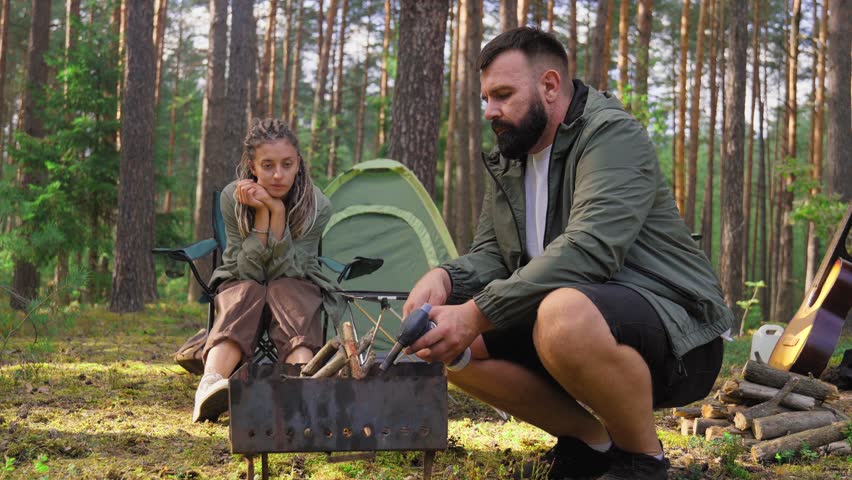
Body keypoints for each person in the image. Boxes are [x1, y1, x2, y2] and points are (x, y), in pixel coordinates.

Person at [403, 27, 733, 480]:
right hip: (568, 322)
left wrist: (476, 313)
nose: (490, 111)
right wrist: (445, 278)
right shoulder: (511, 157)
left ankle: (642, 460)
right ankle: (590, 442)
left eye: (502, 94)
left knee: (561, 314)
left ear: (550, 86)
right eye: (485, 98)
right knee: (447, 344)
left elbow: (589, 251)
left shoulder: (612, 135)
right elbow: (492, 255)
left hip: (678, 334)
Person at [193, 118, 341, 423]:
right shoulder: (231, 198)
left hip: (296, 282)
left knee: (286, 290)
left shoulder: (318, 207)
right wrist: (262, 213)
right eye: (268, 165)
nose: (278, 175)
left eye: (287, 164)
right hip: (241, 280)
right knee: (247, 290)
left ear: (298, 163)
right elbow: (247, 269)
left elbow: (288, 268)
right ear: (252, 166)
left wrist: (278, 211)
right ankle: (210, 385)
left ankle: (303, 385)